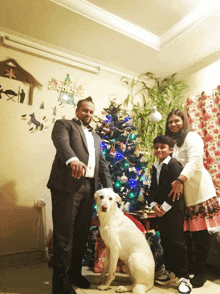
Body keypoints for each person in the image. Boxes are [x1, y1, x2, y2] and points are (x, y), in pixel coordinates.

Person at [47, 97, 113, 294]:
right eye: (85, 110)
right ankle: (60, 284)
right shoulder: (64, 125)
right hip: (67, 186)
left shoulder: (97, 138)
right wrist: (73, 160)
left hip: (89, 189)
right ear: (77, 111)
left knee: (81, 234)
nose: (88, 114)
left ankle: (75, 274)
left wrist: (109, 189)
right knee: (64, 236)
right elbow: (61, 143)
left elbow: (102, 164)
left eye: (92, 112)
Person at [165, 109, 220, 288]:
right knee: (186, 235)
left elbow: (194, 160)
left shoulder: (192, 137)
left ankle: (200, 271)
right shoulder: (172, 142)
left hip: (198, 192)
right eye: (170, 122)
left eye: (177, 121)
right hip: (183, 195)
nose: (173, 124)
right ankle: (186, 269)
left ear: (184, 121)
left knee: (200, 235)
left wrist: (180, 179)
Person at [148, 135, 192, 294]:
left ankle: (184, 277)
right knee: (165, 240)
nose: (159, 150)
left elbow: (176, 192)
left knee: (177, 242)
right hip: (161, 211)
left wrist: (164, 208)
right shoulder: (155, 166)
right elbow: (153, 189)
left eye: (163, 147)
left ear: (170, 149)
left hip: (173, 210)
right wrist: (153, 205)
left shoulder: (174, 165)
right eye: (156, 147)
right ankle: (170, 271)